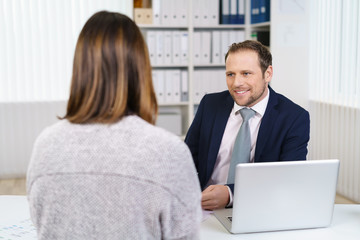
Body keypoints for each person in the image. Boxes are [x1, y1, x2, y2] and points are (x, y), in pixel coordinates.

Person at [27, 11, 201, 239]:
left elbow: (41, 223)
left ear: (81, 70)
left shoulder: (45, 145)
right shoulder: (169, 153)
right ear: (141, 70)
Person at [185, 40, 310, 211]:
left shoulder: (294, 118)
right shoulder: (210, 104)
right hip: (203, 206)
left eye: (246, 73)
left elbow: (288, 179)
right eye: (231, 74)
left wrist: (231, 194)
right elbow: (186, 159)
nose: (237, 83)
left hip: (260, 207)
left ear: (268, 74)